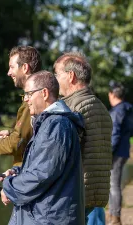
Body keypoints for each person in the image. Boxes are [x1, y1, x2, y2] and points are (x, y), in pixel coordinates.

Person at [0, 71, 85, 225]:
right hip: (43, 214)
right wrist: (17, 173)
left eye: (28, 94)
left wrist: (9, 186)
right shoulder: (49, 123)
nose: (25, 99)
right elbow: (43, 166)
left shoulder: (56, 125)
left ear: (44, 93)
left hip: (48, 218)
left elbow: (41, 175)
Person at [53, 52, 112, 224]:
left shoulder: (72, 107)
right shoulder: (100, 106)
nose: (55, 80)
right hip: (97, 191)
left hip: (76, 191)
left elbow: (62, 154)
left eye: (57, 74)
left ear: (70, 76)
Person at [0, 46, 42, 166]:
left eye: (11, 67)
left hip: (28, 175)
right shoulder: (40, 96)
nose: (8, 73)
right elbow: (32, 136)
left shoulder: (32, 101)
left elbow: (16, 143)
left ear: (25, 67)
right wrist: (12, 133)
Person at [107, 82, 133, 225]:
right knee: (115, 184)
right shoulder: (129, 109)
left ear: (112, 94)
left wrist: (108, 152)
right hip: (125, 149)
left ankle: (115, 218)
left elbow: (114, 134)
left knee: (114, 185)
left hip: (116, 152)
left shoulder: (117, 111)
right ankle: (113, 214)